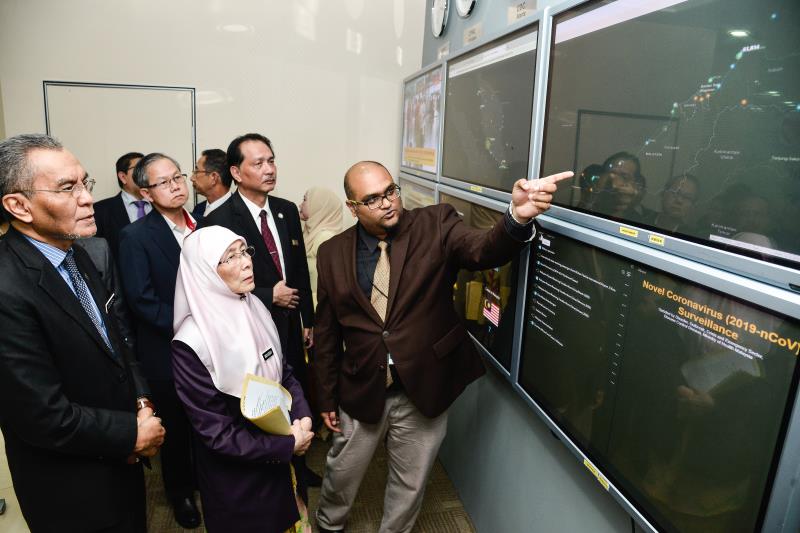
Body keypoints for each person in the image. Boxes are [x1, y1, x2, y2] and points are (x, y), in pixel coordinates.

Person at [312, 161, 572, 533]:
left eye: (390, 191)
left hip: (424, 386)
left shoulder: (436, 223)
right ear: (352, 207)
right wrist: (325, 397)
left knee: (411, 480)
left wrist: (517, 216)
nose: (387, 203)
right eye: (372, 199)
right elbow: (325, 333)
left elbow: (483, 250)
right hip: (362, 385)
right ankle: (328, 525)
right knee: (342, 471)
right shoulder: (332, 253)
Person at [0, 134, 164, 533]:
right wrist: (131, 433)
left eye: (84, 183)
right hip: (67, 481)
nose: (88, 198)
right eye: (66, 188)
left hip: (122, 460)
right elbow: (41, 415)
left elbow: (120, 340)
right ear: (19, 205)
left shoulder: (89, 252)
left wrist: (142, 402)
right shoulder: (6, 284)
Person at [172, 226, 314, 533]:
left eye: (245, 251)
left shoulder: (254, 306)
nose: (247, 262)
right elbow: (217, 433)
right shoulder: (191, 343)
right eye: (230, 257)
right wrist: (286, 445)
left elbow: (283, 371)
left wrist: (302, 417)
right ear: (205, 272)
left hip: (284, 459)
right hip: (240, 483)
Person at [198, 133, 319, 493]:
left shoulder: (284, 210)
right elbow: (213, 285)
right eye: (258, 163)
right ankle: (271, 466)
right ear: (235, 172)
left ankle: (300, 463)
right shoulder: (219, 219)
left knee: (293, 395)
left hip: (290, 324)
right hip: (248, 326)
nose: (269, 169)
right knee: (259, 401)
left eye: (271, 160)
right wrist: (268, 295)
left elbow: (299, 272)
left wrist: (308, 320)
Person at [118, 152, 201, 528]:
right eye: (163, 182)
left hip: (214, 345)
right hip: (170, 347)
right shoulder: (135, 236)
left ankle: (209, 480)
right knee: (178, 427)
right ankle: (180, 492)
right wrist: (191, 325)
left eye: (178, 177)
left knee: (210, 419)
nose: (175, 186)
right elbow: (141, 299)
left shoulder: (202, 226)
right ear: (146, 193)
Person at [94, 151, 149, 259]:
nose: (145, 174)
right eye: (139, 168)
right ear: (123, 177)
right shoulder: (100, 211)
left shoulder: (161, 205)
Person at [299, 187, 343, 307]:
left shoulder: (326, 237)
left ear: (319, 205)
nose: (300, 204)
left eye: (305, 200)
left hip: (319, 308)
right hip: (307, 304)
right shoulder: (309, 234)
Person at [190, 148, 231, 221]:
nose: (191, 178)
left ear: (213, 177)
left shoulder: (240, 212)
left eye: (196, 171)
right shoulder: (198, 209)